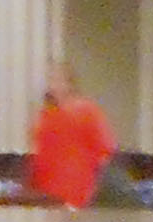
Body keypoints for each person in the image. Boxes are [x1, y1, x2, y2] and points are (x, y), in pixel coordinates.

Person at [28, 64, 118, 209]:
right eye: (51, 80)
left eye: (58, 80)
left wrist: (94, 189)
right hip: (45, 189)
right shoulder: (46, 115)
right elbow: (39, 150)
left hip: (76, 189)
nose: (53, 85)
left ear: (70, 84)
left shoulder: (87, 111)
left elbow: (105, 150)